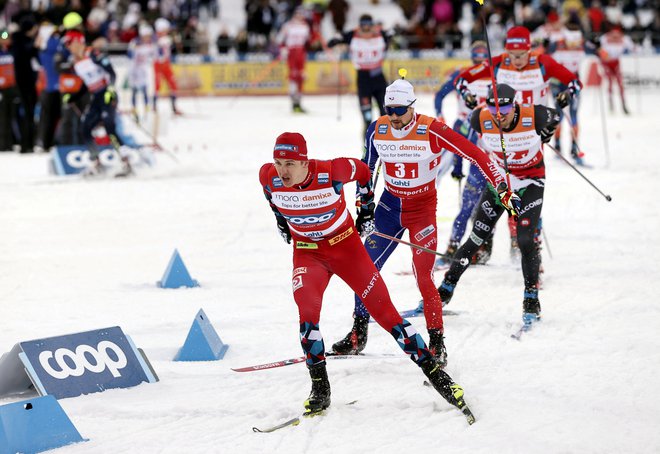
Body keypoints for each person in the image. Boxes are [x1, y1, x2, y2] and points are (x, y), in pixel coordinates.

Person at [259, 131, 475, 422]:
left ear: (305, 162)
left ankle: (437, 375)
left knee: (387, 316)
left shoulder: (331, 171)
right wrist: (280, 221)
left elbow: (363, 171)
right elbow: (271, 197)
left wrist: (366, 209)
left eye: (289, 163)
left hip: (346, 250)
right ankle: (320, 388)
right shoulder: (267, 177)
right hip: (308, 254)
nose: (282, 170)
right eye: (278, 162)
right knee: (307, 318)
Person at [331, 77, 513, 367]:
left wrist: (501, 186)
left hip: (421, 210)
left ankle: (437, 342)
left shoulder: (432, 129)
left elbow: (476, 154)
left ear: (412, 107)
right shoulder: (378, 129)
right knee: (363, 268)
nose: (393, 116)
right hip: (389, 208)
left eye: (400, 110)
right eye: (389, 109)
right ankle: (358, 333)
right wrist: (364, 207)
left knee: (423, 276)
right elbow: (367, 169)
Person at [455, 25, 582, 266]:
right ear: (506, 52)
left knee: (527, 190)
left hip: (530, 134)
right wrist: (467, 95)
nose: (518, 60)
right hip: (498, 131)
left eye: (522, 55)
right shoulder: (498, 62)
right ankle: (484, 244)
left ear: (529, 49)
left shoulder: (542, 62)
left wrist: (567, 93)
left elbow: (574, 82)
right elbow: (463, 79)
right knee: (495, 187)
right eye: (514, 56)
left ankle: (525, 241)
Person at [437, 83, 560, 326]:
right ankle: (444, 292)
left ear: (513, 104)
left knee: (526, 240)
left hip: (530, 182)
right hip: (499, 185)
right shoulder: (479, 118)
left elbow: (555, 116)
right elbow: (464, 131)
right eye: (494, 109)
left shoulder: (532, 114)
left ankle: (531, 300)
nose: (499, 115)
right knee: (476, 238)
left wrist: (546, 133)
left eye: (504, 109)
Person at [434, 40, 493, 267]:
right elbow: (440, 95)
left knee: (487, 203)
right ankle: (453, 245)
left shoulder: (495, 78)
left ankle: (486, 247)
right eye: (476, 60)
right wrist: (440, 114)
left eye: (483, 60)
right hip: (465, 126)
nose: (480, 64)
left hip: (487, 128)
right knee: (449, 175)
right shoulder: (463, 75)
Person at [62, 30, 130, 176]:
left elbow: (112, 73)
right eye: (66, 44)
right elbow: (86, 84)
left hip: (107, 95)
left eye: (70, 43)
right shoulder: (76, 62)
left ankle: (126, 161)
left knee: (109, 126)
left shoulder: (93, 54)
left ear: (78, 41)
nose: (68, 47)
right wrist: (73, 97)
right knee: (85, 127)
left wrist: (110, 90)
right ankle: (96, 162)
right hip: (96, 97)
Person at [328, 14, 389, 133]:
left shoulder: (380, 34)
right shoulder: (352, 35)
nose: (366, 28)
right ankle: (367, 145)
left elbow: (393, 35)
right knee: (367, 117)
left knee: (385, 115)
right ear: (360, 25)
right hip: (363, 78)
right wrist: (337, 40)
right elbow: (332, 43)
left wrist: (393, 33)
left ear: (372, 25)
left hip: (378, 77)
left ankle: (386, 143)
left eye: (368, 25)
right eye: (363, 25)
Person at [546, 19, 586, 163]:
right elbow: (544, 58)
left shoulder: (581, 45)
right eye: (571, 41)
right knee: (559, 116)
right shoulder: (556, 45)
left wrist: (597, 47)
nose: (574, 45)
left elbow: (598, 52)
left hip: (573, 84)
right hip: (558, 84)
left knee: (574, 116)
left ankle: (574, 148)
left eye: (577, 41)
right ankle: (557, 145)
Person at [9, 15, 40, 154]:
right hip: (23, 82)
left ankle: (29, 143)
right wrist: (34, 45)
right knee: (26, 113)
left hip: (29, 81)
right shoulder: (17, 38)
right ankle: (24, 144)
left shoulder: (26, 40)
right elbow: (22, 54)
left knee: (30, 113)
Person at [276, 8, 311, 113]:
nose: (299, 16)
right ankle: (293, 103)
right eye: (297, 14)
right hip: (292, 52)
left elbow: (308, 42)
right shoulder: (288, 26)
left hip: (301, 52)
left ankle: (298, 103)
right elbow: (280, 39)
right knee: (293, 77)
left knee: (301, 77)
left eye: (301, 14)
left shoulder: (305, 26)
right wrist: (283, 49)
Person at [597, 24, 635, 115]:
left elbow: (633, 48)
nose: (615, 36)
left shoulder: (624, 39)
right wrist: (603, 55)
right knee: (610, 82)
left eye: (617, 34)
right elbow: (598, 48)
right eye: (613, 34)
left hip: (616, 62)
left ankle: (623, 104)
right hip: (606, 62)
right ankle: (611, 103)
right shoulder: (605, 38)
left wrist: (634, 50)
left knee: (620, 83)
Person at [36, 21, 62, 152]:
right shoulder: (57, 43)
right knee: (58, 117)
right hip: (60, 87)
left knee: (46, 118)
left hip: (48, 87)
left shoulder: (42, 48)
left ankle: (44, 143)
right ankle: (55, 142)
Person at [127, 23, 157, 122]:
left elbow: (156, 55)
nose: (148, 38)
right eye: (146, 36)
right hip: (134, 69)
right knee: (134, 91)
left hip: (143, 69)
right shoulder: (135, 42)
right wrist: (134, 49)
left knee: (145, 90)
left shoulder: (151, 44)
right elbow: (129, 55)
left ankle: (146, 109)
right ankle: (134, 110)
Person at [153, 18, 181, 115]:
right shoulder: (156, 38)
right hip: (158, 64)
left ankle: (174, 107)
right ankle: (154, 107)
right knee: (157, 85)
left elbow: (171, 50)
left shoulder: (167, 38)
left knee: (173, 83)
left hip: (166, 63)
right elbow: (158, 52)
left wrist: (175, 43)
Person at [0, 29, 19, 152]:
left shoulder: (14, 51)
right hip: (1, 89)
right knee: (2, 117)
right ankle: (3, 144)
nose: (6, 40)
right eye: (3, 37)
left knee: (14, 115)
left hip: (13, 88)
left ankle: (13, 142)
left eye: (8, 38)